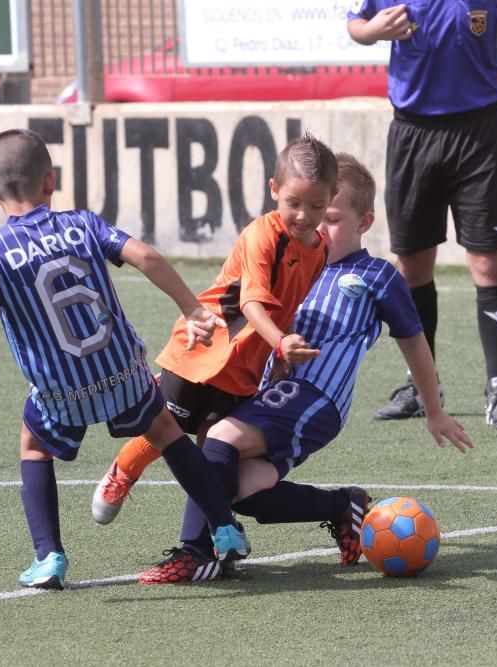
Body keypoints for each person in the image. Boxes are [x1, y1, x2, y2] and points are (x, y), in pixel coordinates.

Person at [0, 128, 250, 590]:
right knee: (165, 430)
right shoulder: (82, 224)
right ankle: (223, 527)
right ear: (49, 182)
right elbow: (146, 255)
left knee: (34, 446)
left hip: (61, 388)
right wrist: (191, 308)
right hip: (120, 371)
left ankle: (50, 557)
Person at [138, 153, 474, 584]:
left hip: (314, 398)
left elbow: (414, 341)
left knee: (217, 443)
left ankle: (199, 553)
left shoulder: (376, 276)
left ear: (364, 222)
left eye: (330, 217)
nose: (317, 226)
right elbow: (239, 313)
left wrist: (433, 409)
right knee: (237, 488)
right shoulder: (292, 260)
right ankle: (342, 507)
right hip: (268, 396)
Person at [90, 132, 336, 525]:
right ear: (274, 190)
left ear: (331, 199)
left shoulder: (320, 249)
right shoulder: (263, 235)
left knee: (215, 449)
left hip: (246, 365)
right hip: (205, 348)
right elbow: (250, 303)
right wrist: (281, 341)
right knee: (164, 428)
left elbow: (287, 303)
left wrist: (279, 355)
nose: (304, 215)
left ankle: (212, 535)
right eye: (294, 203)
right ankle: (122, 474)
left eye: (316, 205)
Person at [347, 2, 497, 428]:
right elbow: (356, 25)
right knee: (411, 267)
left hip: (481, 137)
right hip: (412, 135)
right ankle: (422, 386)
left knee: (488, 263)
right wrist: (372, 31)